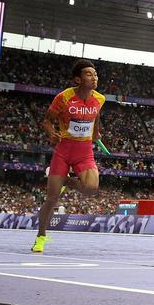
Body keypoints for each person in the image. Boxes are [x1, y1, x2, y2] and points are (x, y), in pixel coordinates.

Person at [31, 60, 106, 253]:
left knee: (91, 189)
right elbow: (47, 121)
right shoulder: (64, 97)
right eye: (89, 74)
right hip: (64, 151)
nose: (94, 77)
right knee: (52, 198)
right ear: (78, 79)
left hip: (85, 152)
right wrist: (51, 133)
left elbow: (96, 115)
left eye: (95, 74)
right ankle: (41, 237)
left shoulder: (99, 99)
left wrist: (96, 132)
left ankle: (66, 181)